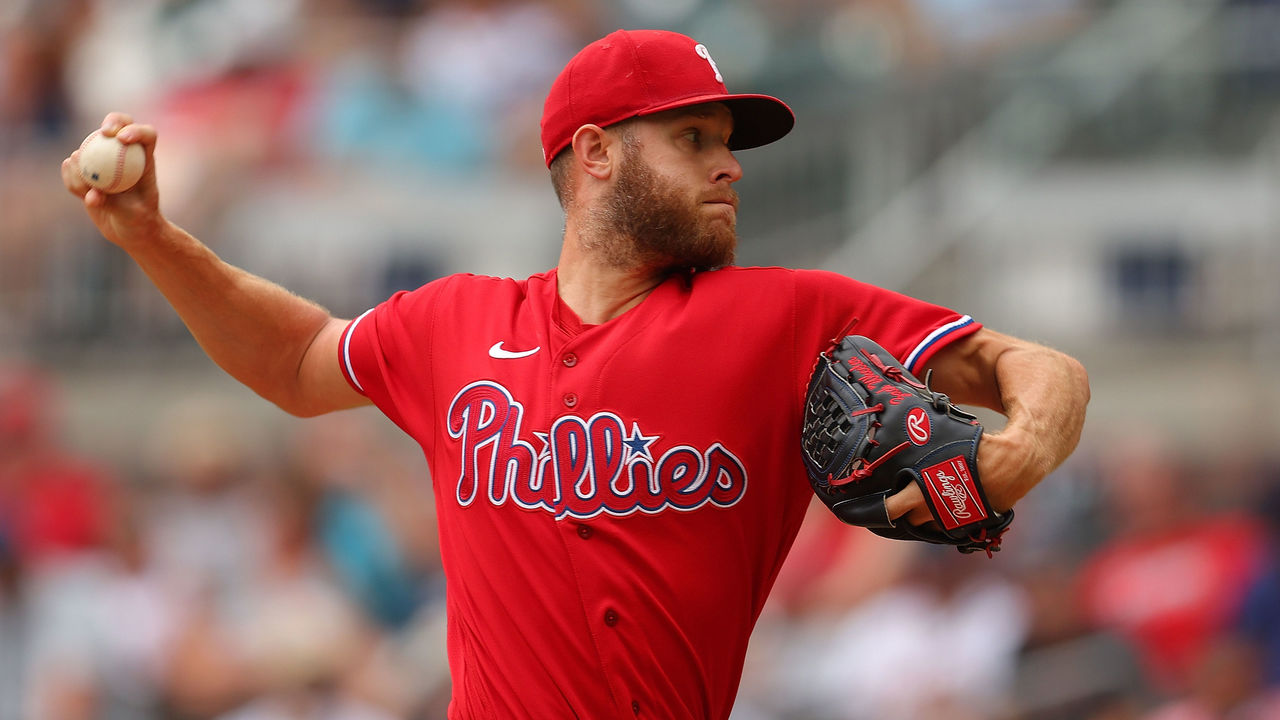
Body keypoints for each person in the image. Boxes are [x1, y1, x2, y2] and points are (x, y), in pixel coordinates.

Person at [62, 28, 1090, 720]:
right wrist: (153, 238)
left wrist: (1014, 453)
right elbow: (293, 358)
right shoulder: (452, 321)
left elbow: (1032, 366)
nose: (729, 165)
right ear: (595, 155)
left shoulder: (788, 315)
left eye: (727, 144)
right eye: (693, 139)